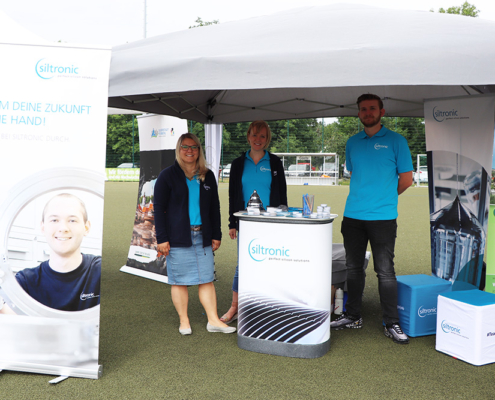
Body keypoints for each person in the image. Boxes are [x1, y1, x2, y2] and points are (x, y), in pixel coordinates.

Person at [330, 94, 413, 344]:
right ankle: (353, 316)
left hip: (383, 218)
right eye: (363, 109)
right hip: (353, 216)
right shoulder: (352, 142)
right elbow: (353, 171)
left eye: (372, 108)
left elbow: (406, 180)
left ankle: (391, 322)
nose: (368, 113)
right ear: (359, 114)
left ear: (382, 112)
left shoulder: (397, 141)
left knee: (385, 271)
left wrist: (384, 197)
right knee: (353, 268)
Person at [154, 133, 235, 335]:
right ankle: (184, 321)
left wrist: (216, 234)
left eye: (194, 147)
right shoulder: (167, 176)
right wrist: (162, 239)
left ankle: (213, 321)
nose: (189, 151)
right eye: (185, 147)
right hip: (177, 237)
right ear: (179, 149)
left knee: (206, 278)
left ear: (199, 150)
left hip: (203, 236)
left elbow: (214, 207)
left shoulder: (208, 175)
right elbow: (159, 209)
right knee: (179, 280)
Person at [220, 120, 287, 324]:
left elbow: (282, 195)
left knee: (270, 263)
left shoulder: (275, 162)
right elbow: (233, 195)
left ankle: (266, 307)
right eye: (255, 135)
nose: (258, 139)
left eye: (262, 136)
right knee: (243, 265)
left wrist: (282, 221)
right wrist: (232, 223)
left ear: (267, 139)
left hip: (270, 223)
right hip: (246, 223)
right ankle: (235, 307)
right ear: (248, 136)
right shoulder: (238, 163)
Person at [1, 193, 101, 313]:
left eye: (72, 220)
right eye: (54, 220)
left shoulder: (101, 271)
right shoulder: (25, 281)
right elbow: (8, 315)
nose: (63, 228)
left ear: (86, 227)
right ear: (43, 227)